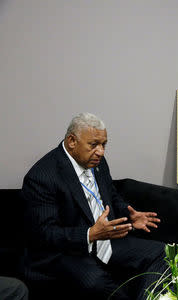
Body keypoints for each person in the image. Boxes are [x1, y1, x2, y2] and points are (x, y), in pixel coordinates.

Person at [22, 113, 167, 300]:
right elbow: (45, 234)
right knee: (96, 282)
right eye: (94, 145)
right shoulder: (42, 176)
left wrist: (128, 214)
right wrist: (89, 234)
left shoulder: (97, 163)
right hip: (67, 252)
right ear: (72, 141)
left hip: (105, 242)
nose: (100, 151)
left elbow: (111, 196)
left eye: (104, 144)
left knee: (163, 252)